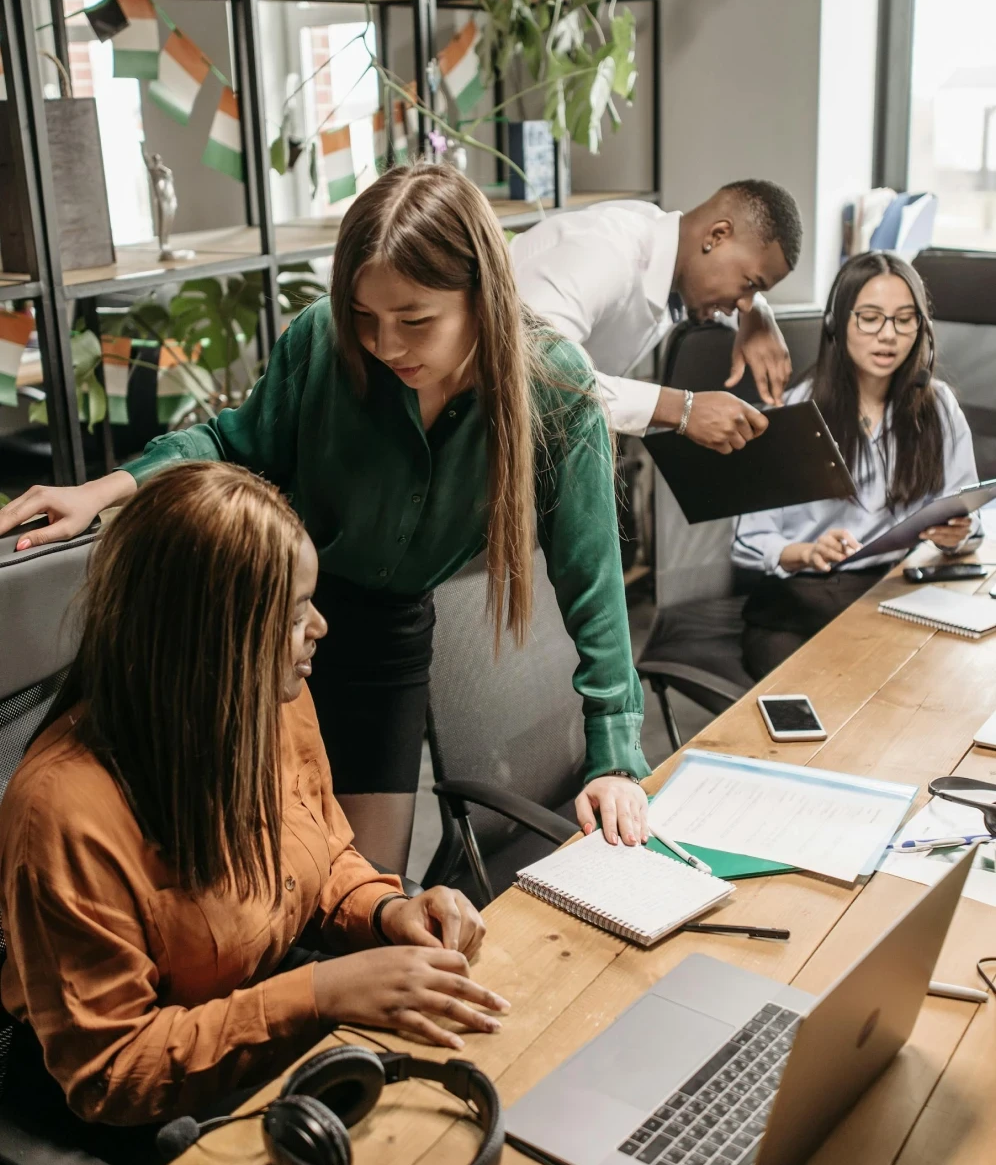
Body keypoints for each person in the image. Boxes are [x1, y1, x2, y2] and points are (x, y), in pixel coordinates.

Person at [0, 164, 650, 846]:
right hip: (272, 621)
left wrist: (615, 762)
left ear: (482, 297)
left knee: (370, 882)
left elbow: (595, 590)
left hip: (387, 645)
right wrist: (103, 492)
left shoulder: (554, 388)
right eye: (365, 316)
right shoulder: (323, 338)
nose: (387, 344)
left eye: (416, 320)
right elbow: (230, 439)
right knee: (252, 873)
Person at [0, 463, 507, 1165]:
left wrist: (389, 911)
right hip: (141, 1115)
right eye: (297, 611)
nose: (321, 628)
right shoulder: (62, 812)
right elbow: (112, 1073)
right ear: (215, 639)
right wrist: (321, 994)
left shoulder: (268, 699)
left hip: (267, 1026)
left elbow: (325, 854)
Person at [733, 251, 981, 680]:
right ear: (837, 322)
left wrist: (958, 532)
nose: (888, 335)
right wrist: (807, 552)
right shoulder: (797, 410)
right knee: (820, 694)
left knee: (936, 685)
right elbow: (748, 539)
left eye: (905, 319)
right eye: (870, 317)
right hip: (802, 598)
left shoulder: (938, 406)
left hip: (895, 591)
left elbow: (967, 514)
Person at [510, 181, 803, 449]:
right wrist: (683, 409)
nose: (745, 304)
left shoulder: (673, 252)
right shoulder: (606, 254)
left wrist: (758, 317)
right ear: (717, 235)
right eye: (750, 283)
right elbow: (530, 371)